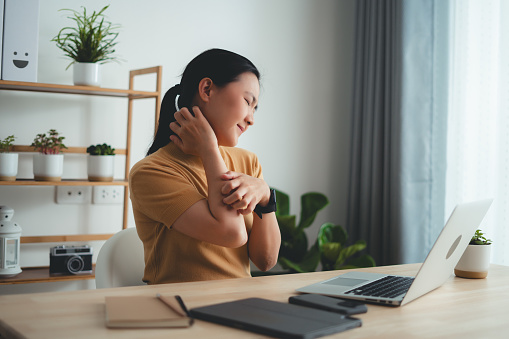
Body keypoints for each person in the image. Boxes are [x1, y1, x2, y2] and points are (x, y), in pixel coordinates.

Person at [129, 48, 281, 284]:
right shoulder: (150, 172)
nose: (251, 118)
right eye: (247, 101)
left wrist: (264, 195)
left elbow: (266, 260)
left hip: (240, 305)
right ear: (207, 89)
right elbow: (232, 233)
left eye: (255, 108)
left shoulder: (248, 162)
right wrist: (209, 150)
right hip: (178, 309)